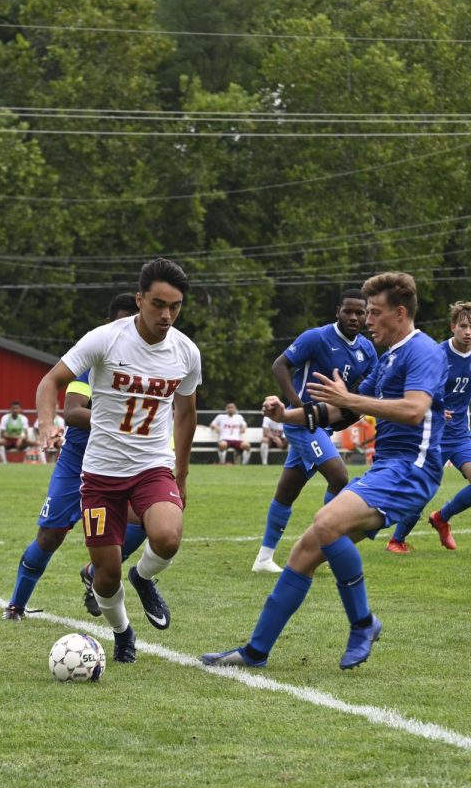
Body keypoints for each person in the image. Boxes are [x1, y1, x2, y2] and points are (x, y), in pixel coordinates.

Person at [201, 272, 447, 672]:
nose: (368, 321)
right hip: (387, 468)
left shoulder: (422, 352)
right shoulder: (387, 358)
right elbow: (342, 410)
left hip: (411, 470)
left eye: (375, 312)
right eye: (366, 312)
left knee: (326, 521)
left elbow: (415, 409)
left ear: (400, 313)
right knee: (304, 552)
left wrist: (352, 398)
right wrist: (287, 415)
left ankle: (363, 623)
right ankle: (255, 652)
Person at [35, 257, 201, 663]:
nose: (166, 315)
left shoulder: (186, 352)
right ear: (140, 299)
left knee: (167, 536)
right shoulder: (105, 339)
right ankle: (122, 631)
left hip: (151, 467)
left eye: (175, 306)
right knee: (104, 576)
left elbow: (186, 411)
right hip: (101, 476)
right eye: (158, 304)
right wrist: (44, 425)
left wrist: (181, 473)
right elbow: (50, 381)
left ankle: (143, 578)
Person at [2, 293, 147, 621]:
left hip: (121, 463)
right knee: (51, 535)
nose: (131, 330)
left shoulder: (147, 366)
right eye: (124, 322)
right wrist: (119, 422)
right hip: (79, 462)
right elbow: (73, 412)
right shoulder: (93, 364)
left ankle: (95, 572)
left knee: (146, 519)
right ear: (109, 324)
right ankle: (16, 605)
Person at [252, 290, 377, 574]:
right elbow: (280, 365)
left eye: (360, 312)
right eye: (349, 311)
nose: (354, 317)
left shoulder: (367, 350)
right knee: (339, 476)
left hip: (325, 425)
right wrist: (298, 407)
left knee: (288, 490)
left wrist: (347, 414)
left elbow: (365, 390)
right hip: (303, 424)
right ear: (338, 311)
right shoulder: (316, 337)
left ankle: (263, 559)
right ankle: (326, 545)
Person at [386, 300, 471, 554]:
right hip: (431, 436)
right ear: (452, 326)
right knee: (421, 492)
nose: (468, 332)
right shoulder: (436, 354)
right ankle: (396, 540)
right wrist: (434, 405)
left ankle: (441, 518)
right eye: (464, 326)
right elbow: (414, 387)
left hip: (459, 436)